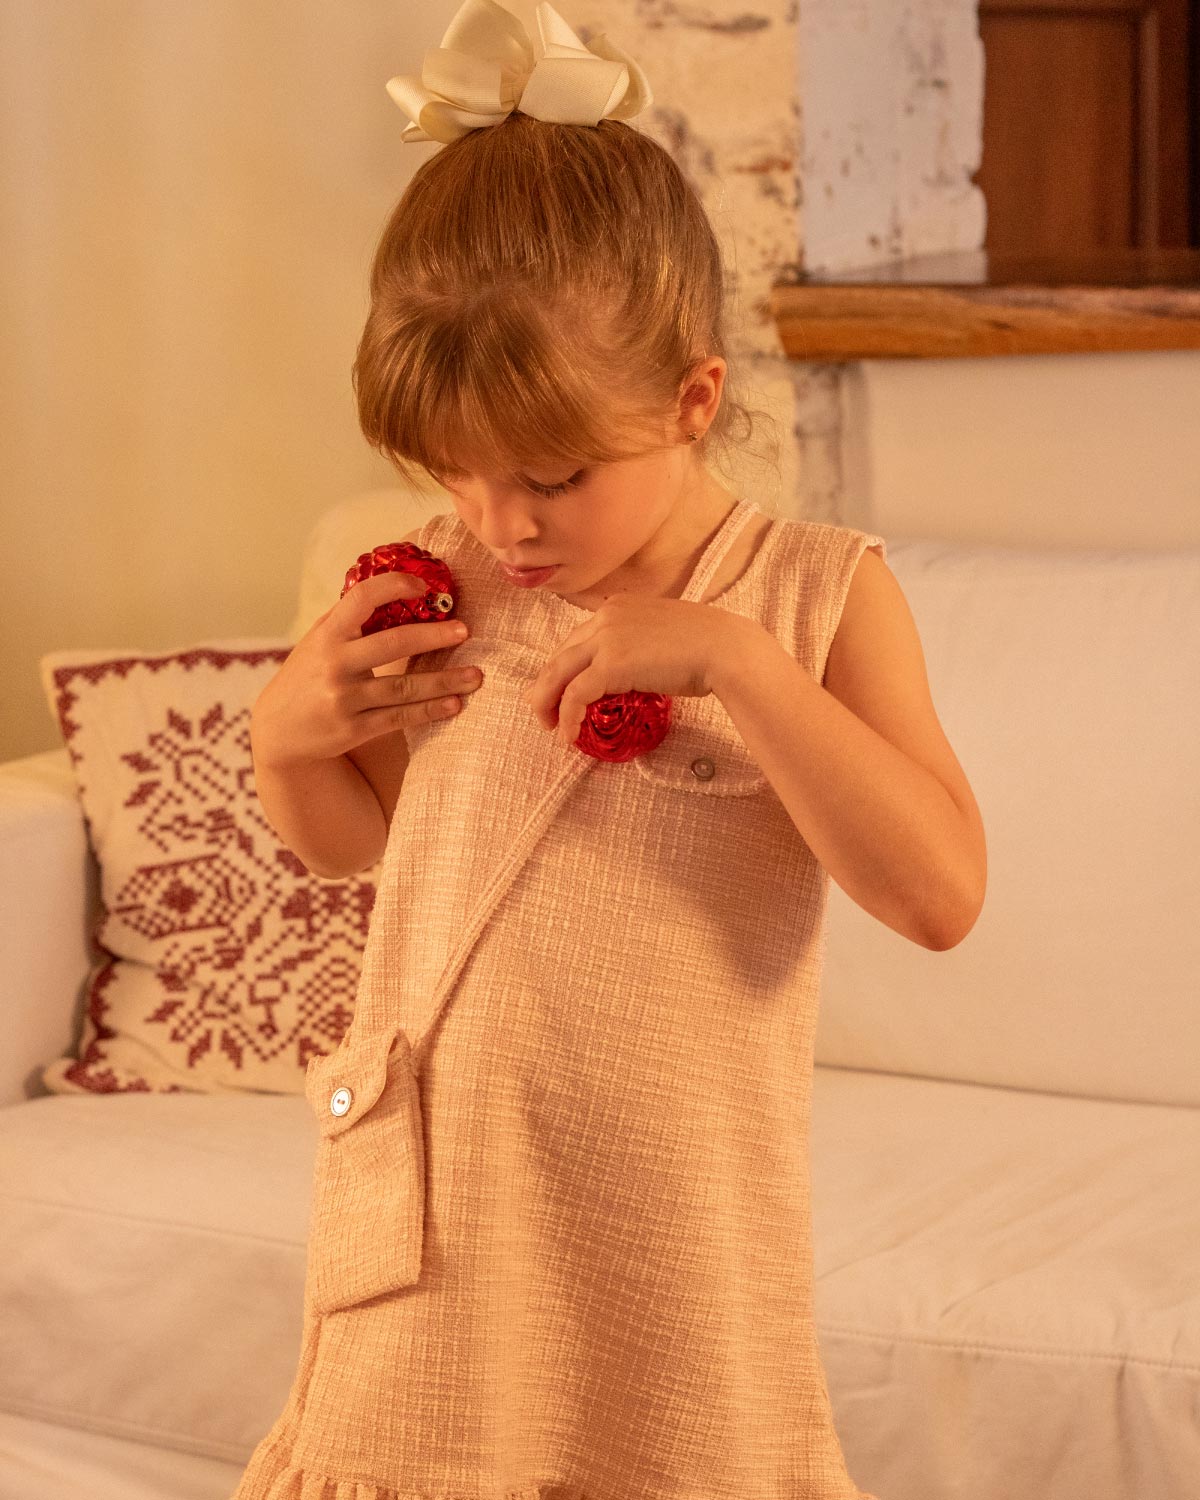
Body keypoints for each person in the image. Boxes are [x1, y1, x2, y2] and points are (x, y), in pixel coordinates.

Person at [234, 3, 986, 1498]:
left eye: (555, 475)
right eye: (456, 466)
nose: (505, 521)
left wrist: (736, 667)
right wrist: (286, 737)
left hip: (669, 1227)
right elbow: (351, 846)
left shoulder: (814, 597)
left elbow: (939, 893)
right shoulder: (445, 587)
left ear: (693, 398)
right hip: (439, 1222)